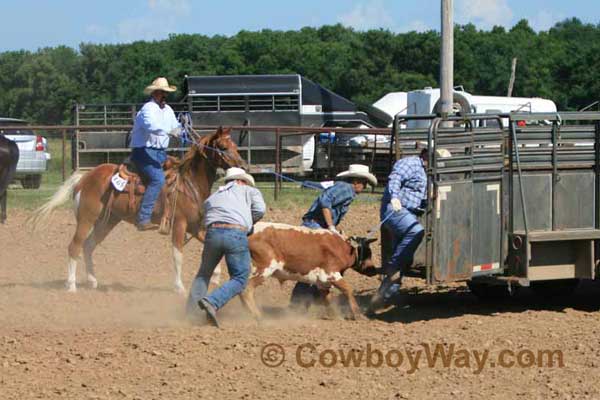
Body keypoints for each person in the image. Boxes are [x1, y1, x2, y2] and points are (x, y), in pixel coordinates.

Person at [187, 167, 266, 328]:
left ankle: (191, 314)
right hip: (235, 233)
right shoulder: (249, 191)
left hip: (212, 233)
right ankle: (212, 302)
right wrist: (248, 223)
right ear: (241, 180)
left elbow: (204, 214)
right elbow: (260, 209)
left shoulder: (213, 196)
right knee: (240, 277)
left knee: (204, 273)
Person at [290, 164, 377, 307]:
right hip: (316, 227)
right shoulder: (347, 189)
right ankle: (300, 303)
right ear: (356, 181)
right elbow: (325, 201)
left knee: (315, 268)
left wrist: (333, 228)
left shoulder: (343, 188)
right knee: (315, 266)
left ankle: (304, 302)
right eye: (364, 183)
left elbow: (327, 203)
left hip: (316, 226)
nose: (365, 186)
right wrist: (330, 227)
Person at [369, 148, 436, 312]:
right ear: (428, 155)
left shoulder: (428, 173)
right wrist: (394, 197)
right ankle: (392, 268)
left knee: (404, 257)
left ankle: (382, 297)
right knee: (416, 232)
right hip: (396, 209)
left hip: (409, 212)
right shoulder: (410, 163)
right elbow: (395, 179)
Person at [129, 77, 182, 231]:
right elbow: (151, 126)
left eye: (166, 93)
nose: (164, 95)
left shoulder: (168, 110)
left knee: (178, 173)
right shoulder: (147, 109)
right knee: (158, 179)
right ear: (155, 93)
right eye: (161, 92)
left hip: (160, 153)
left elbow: (175, 126)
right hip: (143, 151)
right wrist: (170, 131)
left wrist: (180, 132)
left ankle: (172, 212)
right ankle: (143, 218)